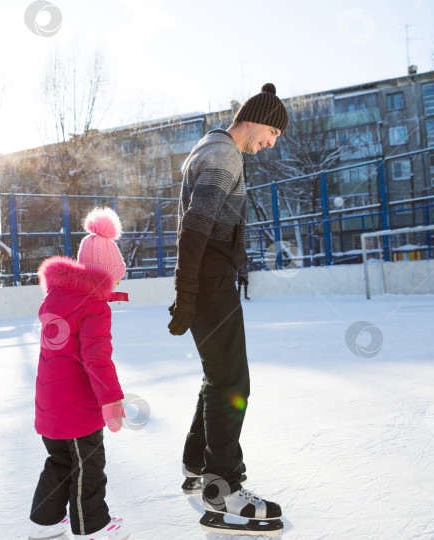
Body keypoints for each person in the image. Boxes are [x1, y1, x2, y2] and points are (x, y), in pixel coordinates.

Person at [168, 83, 288, 536]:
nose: (271, 143)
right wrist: (188, 292)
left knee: (218, 377)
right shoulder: (223, 155)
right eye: (272, 131)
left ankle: (197, 465)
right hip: (210, 283)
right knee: (233, 381)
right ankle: (223, 494)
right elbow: (193, 229)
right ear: (252, 120)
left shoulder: (213, 146)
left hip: (211, 280)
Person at [29, 207, 130, 540]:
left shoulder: (57, 296)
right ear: (104, 275)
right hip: (77, 409)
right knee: (89, 465)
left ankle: (44, 524)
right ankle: (94, 527)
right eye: (115, 278)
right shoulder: (93, 307)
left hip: (49, 402)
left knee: (59, 462)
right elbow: (96, 359)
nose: (116, 285)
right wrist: (112, 400)